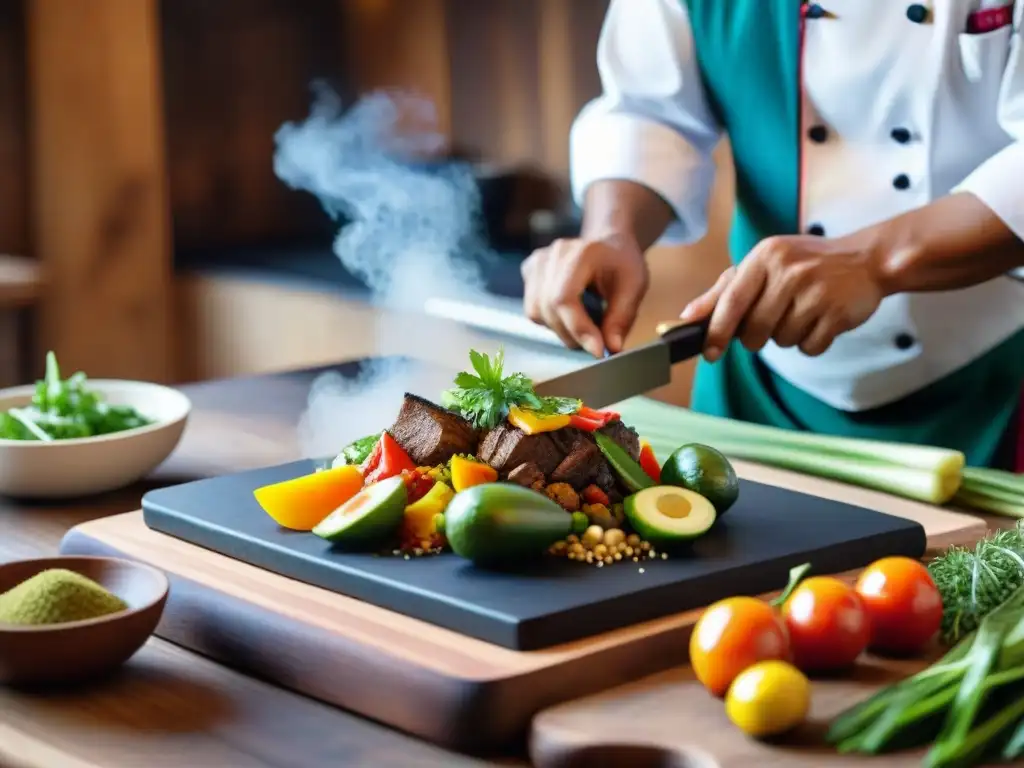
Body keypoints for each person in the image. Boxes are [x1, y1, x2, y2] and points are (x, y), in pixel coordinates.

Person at [521, 0, 1024, 469]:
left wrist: (871, 260)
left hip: (996, 385)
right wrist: (613, 230)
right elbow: (650, 110)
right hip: (755, 385)